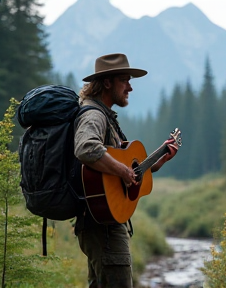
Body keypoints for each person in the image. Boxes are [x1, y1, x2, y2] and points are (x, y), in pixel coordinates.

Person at [74, 53, 178, 288]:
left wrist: (156, 163)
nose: (130, 87)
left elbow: (116, 173)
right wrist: (122, 170)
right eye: (125, 80)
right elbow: (85, 148)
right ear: (107, 82)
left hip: (103, 222)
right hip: (102, 226)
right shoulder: (93, 114)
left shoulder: (105, 115)